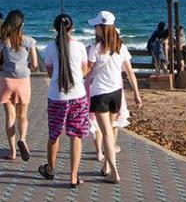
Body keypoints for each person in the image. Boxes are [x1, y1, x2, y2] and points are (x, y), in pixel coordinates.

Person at [85, 11, 141, 184]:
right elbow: (130, 73)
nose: (94, 28)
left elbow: (87, 71)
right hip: (116, 93)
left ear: (102, 28)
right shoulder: (121, 47)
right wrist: (137, 94)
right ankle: (106, 167)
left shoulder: (95, 48)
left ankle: (114, 172)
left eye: (96, 26)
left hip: (100, 93)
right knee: (111, 129)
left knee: (106, 133)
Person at [39, 13, 90, 187]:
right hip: (78, 95)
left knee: (54, 134)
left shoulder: (49, 47)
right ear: (72, 27)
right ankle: (73, 176)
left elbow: (50, 72)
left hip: (57, 96)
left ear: (55, 28)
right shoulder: (80, 46)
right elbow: (84, 70)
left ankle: (50, 169)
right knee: (76, 136)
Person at [0, 9, 40, 162]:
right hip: (23, 81)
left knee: (10, 117)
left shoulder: (1, 42)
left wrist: (4, 68)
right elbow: (35, 64)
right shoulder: (29, 41)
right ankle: (23, 139)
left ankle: (12, 151)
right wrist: (27, 68)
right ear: (22, 25)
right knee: (23, 116)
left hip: (7, 81)